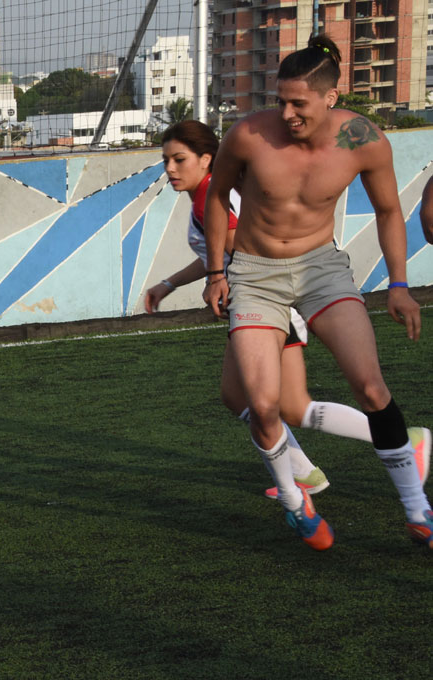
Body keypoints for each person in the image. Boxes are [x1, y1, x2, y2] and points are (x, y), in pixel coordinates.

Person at [204, 35, 432, 550]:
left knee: (371, 388)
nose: (286, 113)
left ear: (330, 98)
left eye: (298, 103)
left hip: (322, 269)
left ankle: (419, 511)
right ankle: (294, 502)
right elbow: (217, 197)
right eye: (280, 100)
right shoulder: (248, 135)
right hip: (256, 274)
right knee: (263, 406)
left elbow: (389, 212)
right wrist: (217, 272)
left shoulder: (364, 139)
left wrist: (399, 285)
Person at [145, 120, 428, 500]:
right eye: (166, 160)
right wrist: (171, 283)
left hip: (268, 301)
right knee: (271, 403)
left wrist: (218, 283)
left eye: (179, 159)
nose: (170, 169)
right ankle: (307, 472)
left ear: (206, 159)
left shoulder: (212, 194)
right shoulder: (210, 196)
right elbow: (218, 252)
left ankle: (388, 450)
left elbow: (238, 251)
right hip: (257, 300)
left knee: (270, 403)